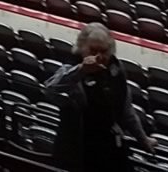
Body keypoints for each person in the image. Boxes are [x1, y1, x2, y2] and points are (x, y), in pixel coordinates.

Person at [42, 24, 153, 171]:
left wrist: (143, 140)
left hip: (109, 145)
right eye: (93, 51)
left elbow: (126, 109)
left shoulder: (116, 68)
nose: (99, 57)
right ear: (82, 48)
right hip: (78, 148)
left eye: (104, 51)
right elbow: (50, 91)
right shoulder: (72, 68)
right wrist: (80, 71)